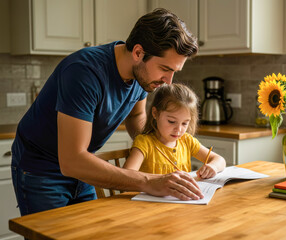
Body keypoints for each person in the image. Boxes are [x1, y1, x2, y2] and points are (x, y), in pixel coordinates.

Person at [11, 8, 204, 216]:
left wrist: (155, 147)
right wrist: (150, 181)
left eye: (174, 71)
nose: (169, 81)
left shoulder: (143, 75)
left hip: (85, 165)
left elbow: (136, 116)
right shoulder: (84, 72)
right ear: (138, 53)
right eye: (165, 69)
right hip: (41, 169)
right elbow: (72, 161)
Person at [123, 84, 226, 178]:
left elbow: (220, 160)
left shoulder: (187, 141)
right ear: (155, 113)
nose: (179, 129)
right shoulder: (145, 143)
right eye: (172, 121)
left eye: (185, 123)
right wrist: (160, 180)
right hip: (145, 198)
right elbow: (127, 175)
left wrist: (213, 167)